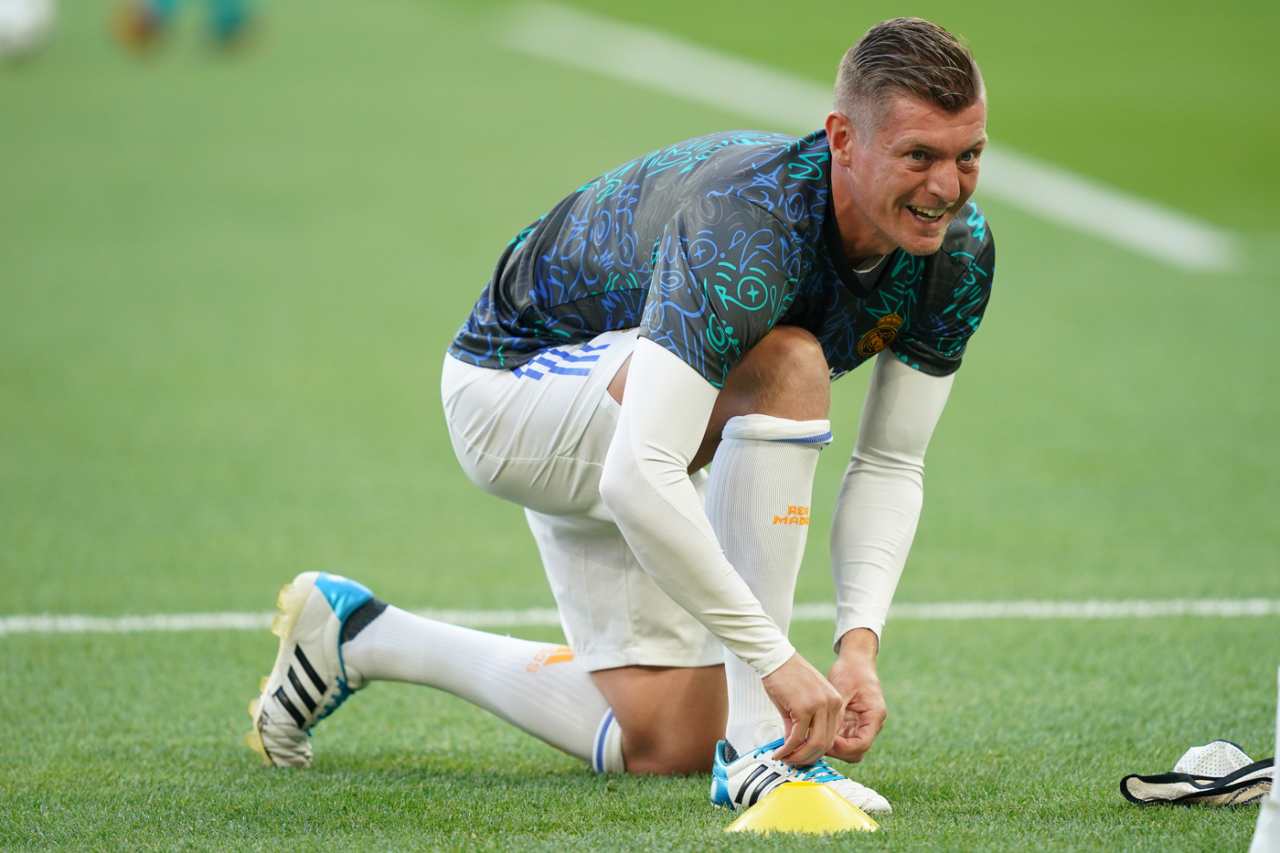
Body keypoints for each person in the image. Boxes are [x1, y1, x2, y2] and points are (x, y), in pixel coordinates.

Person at [245, 16, 994, 815]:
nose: (946, 188)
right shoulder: (750, 227)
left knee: (670, 739)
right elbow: (639, 475)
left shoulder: (958, 253)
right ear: (842, 138)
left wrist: (857, 646)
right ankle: (760, 751)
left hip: (650, 410)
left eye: (969, 155)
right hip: (511, 387)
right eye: (919, 156)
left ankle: (360, 635)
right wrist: (776, 663)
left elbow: (891, 461)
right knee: (789, 364)